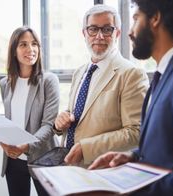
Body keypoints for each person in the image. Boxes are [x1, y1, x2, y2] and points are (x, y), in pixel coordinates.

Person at [89, 0, 173, 195]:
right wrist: (133, 157)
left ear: (155, 18)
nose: (130, 32)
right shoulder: (162, 76)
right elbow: (168, 148)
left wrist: (121, 190)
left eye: (136, 19)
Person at [54, 4, 149, 167]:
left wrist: (87, 148)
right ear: (84, 33)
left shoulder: (131, 74)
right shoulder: (79, 73)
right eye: (93, 29)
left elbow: (137, 132)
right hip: (69, 169)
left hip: (103, 173)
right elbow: (78, 114)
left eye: (107, 29)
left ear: (117, 33)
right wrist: (60, 122)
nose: (99, 36)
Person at [0, 26, 59, 196]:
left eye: (34, 44)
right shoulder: (5, 83)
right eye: (23, 44)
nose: (30, 49)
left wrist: (26, 146)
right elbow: (9, 121)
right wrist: (3, 142)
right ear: (14, 51)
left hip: (43, 157)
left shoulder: (48, 81)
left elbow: (49, 125)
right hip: (14, 160)